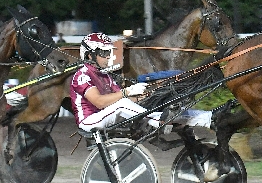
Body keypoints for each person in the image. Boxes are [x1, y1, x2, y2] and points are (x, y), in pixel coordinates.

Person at [69, 32, 212, 144]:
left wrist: (144, 95)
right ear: (89, 55)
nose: (108, 57)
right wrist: (128, 91)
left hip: (107, 115)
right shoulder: (82, 75)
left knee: (159, 106)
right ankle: (159, 122)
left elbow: (123, 97)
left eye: (109, 53)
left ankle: (207, 118)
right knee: (123, 104)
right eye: (104, 53)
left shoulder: (105, 75)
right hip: (89, 121)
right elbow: (100, 102)